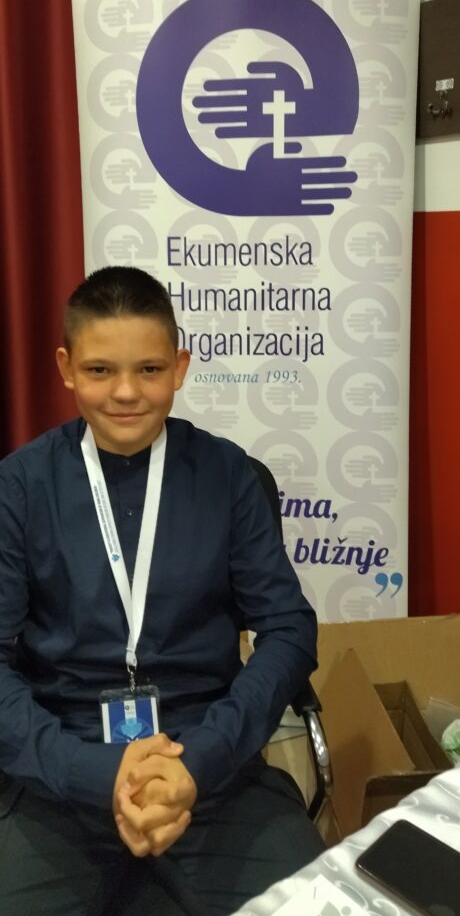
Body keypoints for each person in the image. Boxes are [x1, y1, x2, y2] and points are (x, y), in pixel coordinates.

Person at [0, 266, 324, 916]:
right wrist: (94, 773)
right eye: (100, 370)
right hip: (60, 772)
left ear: (179, 367)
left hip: (210, 766)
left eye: (148, 369)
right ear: (66, 368)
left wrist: (198, 763)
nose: (125, 392)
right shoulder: (20, 486)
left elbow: (288, 630)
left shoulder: (228, 475)